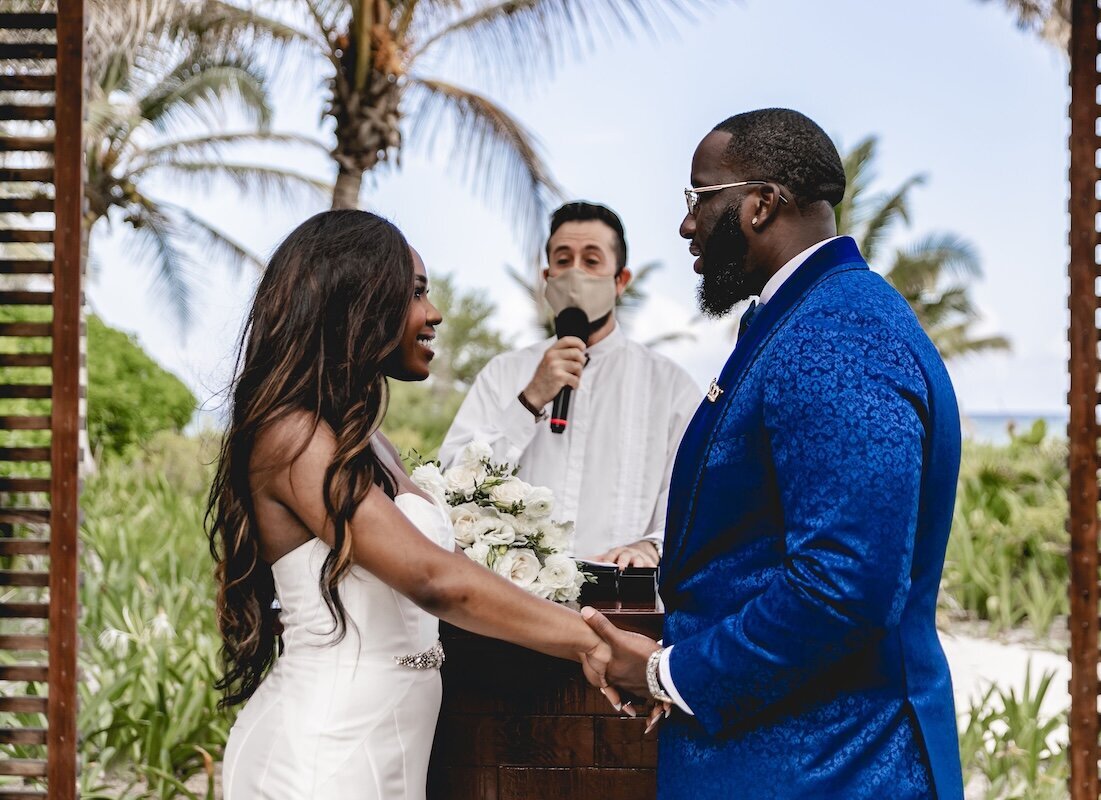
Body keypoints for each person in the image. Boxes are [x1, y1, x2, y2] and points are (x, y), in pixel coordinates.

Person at [581, 109, 965, 799]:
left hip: (827, 767)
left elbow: (842, 587)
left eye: (699, 199)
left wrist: (670, 674)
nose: (686, 224)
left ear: (760, 204)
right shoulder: (803, 318)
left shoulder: (835, 332)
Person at [209, 210, 614, 799]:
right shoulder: (291, 436)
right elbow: (432, 579)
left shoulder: (369, 442)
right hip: (320, 758)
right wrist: (592, 640)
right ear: (356, 300)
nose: (434, 313)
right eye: (416, 292)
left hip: (387, 750)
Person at [440, 201, 701, 567]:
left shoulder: (671, 387)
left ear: (620, 281)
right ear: (547, 279)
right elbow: (449, 484)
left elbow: (693, 496)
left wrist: (652, 546)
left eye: (591, 261)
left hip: (622, 606)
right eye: (563, 261)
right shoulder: (504, 373)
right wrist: (529, 401)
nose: (575, 273)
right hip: (511, 602)